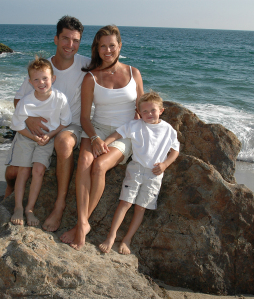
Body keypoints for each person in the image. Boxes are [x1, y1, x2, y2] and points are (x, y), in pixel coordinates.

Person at [60, 25, 144, 250]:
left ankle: (81, 225)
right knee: (85, 162)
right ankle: (84, 223)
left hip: (124, 133)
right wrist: (95, 138)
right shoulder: (90, 77)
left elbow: (143, 109)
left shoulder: (134, 73)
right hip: (96, 129)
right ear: (96, 48)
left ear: (120, 46)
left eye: (112, 46)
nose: (108, 50)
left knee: (99, 166)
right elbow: (85, 117)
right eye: (103, 46)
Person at [4, 16, 90, 232]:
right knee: (14, 172)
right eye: (65, 38)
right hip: (34, 126)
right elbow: (18, 99)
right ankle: (10, 190)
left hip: (67, 124)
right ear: (56, 39)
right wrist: (30, 119)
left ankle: (59, 205)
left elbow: (110, 69)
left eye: (76, 40)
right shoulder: (43, 69)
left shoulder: (86, 65)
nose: (70, 45)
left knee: (62, 143)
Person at [99, 91, 180, 255]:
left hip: (155, 174)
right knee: (125, 203)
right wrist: (104, 143)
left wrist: (165, 165)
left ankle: (127, 238)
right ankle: (111, 236)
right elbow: (117, 133)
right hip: (136, 169)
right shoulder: (135, 125)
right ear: (139, 112)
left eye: (153, 110)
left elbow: (175, 150)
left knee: (141, 208)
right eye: (144, 111)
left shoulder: (168, 130)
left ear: (161, 110)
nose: (149, 114)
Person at [6, 56, 72, 226]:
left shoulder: (60, 98)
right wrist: (33, 137)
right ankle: (18, 207)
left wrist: (50, 136)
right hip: (26, 137)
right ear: (30, 81)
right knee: (23, 171)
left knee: (38, 170)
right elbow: (17, 125)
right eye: (36, 79)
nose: (41, 82)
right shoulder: (26, 101)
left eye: (45, 78)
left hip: (48, 138)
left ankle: (30, 208)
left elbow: (65, 121)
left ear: (53, 79)